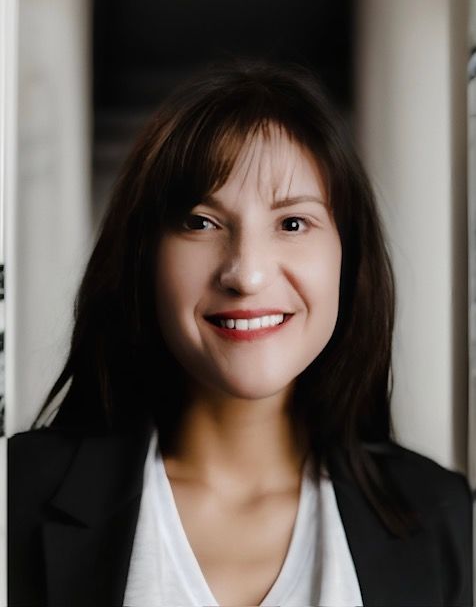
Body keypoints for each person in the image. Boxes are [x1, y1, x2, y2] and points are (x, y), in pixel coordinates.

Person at [8, 59, 473, 607]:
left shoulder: (446, 518)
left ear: (348, 259)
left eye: (292, 223)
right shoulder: (14, 496)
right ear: (144, 258)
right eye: (201, 222)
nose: (246, 274)